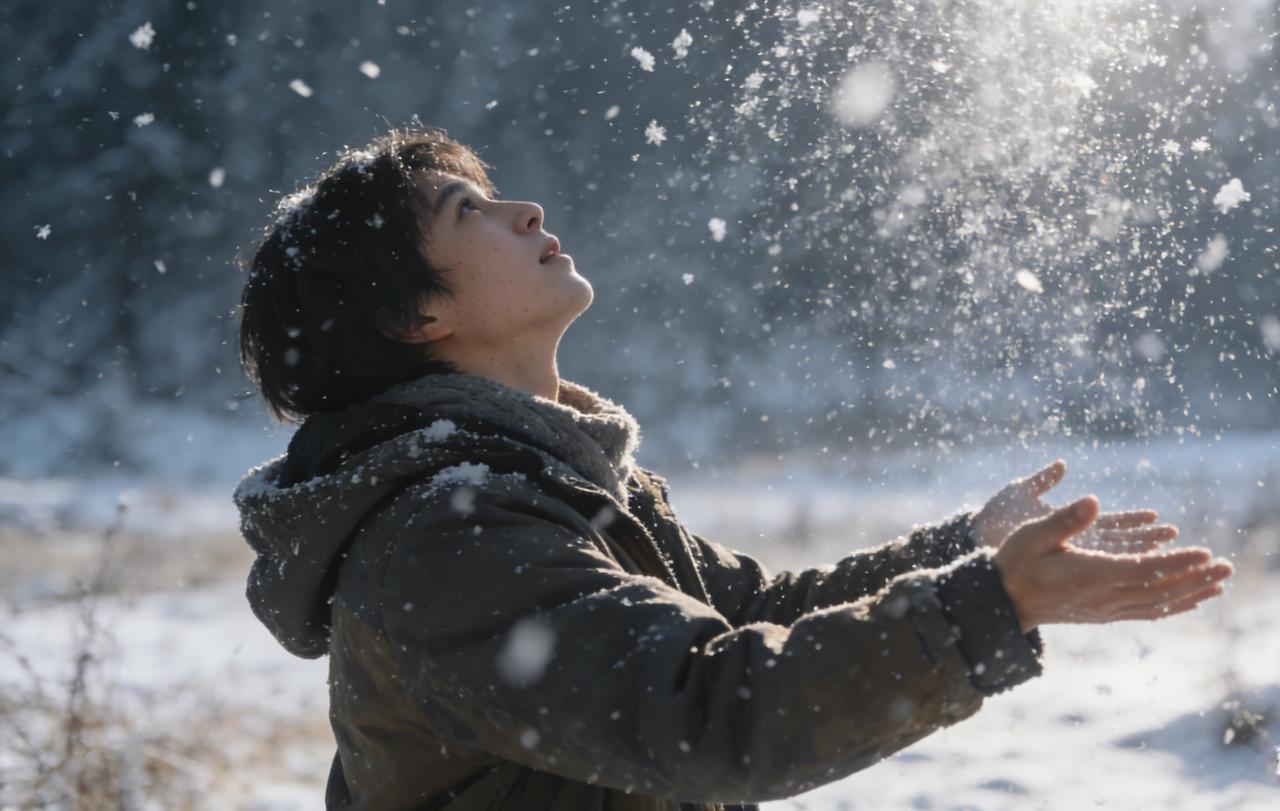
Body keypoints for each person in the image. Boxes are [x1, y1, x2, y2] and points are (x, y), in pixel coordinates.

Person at [232, 126, 1234, 810]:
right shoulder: (450, 536)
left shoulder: (541, 482)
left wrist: (968, 550)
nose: (526, 211)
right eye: (470, 212)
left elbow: (759, 611)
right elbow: (705, 708)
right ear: (418, 317)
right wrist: (988, 605)